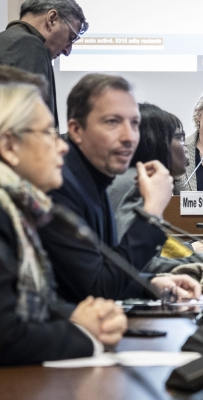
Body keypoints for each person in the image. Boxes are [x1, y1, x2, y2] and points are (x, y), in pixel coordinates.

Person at [37, 74, 201, 304]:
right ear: (75, 130)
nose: (129, 137)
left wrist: (148, 284)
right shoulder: (59, 185)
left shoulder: (95, 175)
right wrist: (151, 213)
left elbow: (98, 271)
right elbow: (97, 288)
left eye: (134, 124)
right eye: (112, 122)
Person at [0, 83, 127, 365]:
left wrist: (78, 316)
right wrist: (83, 333)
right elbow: (6, 337)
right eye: (48, 132)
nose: (61, 146)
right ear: (9, 146)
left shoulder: (24, 208)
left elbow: (34, 303)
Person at [108, 102, 203, 274]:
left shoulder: (139, 178)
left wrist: (191, 250)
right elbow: (138, 262)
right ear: (155, 141)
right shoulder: (138, 184)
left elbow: (152, 250)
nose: (186, 146)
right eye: (179, 138)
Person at [0, 0, 88, 127]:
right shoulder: (27, 44)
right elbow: (30, 126)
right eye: (70, 38)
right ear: (52, 19)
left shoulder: (7, 40)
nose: (67, 51)